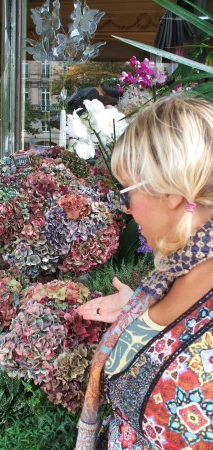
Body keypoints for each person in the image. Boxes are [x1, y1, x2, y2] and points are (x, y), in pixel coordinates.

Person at [75, 94, 213, 449]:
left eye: (126, 195)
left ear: (169, 192)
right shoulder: (180, 267)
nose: (127, 211)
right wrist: (138, 311)